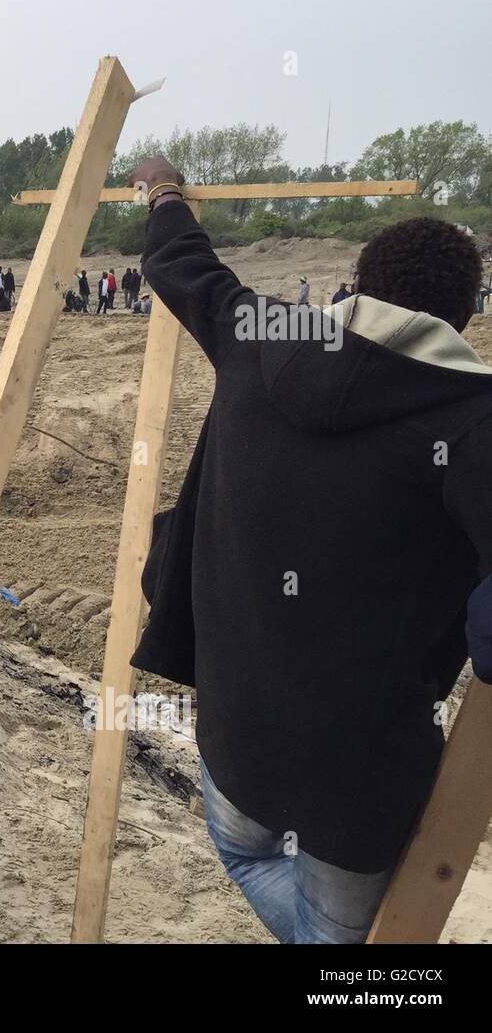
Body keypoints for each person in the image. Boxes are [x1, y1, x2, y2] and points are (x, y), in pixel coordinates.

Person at [127, 155, 492, 944]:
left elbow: (179, 261)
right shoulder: (471, 424)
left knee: (252, 862)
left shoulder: (259, 337)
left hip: (234, 752)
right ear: (464, 316)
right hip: (356, 800)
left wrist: (162, 191)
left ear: (354, 284)